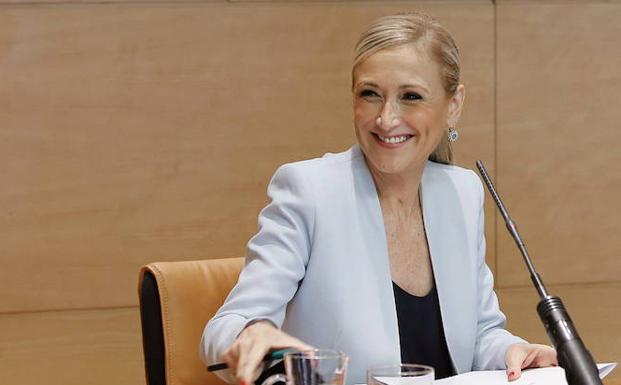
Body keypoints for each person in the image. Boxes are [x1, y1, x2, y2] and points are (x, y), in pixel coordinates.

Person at [200, 12, 557, 385]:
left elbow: (480, 333)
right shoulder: (310, 190)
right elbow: (224, 330)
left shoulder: (462, 193)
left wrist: (512, 352)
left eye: (411, 97)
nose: (386, 119)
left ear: (454, 106)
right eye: (370, 94)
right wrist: (254, 333)